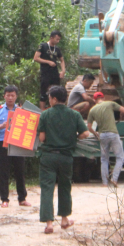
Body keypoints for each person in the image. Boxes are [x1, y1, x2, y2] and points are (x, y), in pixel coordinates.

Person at [37, 86, 90, 234]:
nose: (49, 100)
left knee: (47, 188)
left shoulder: (45, 115)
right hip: (66, 157)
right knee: (65, 187)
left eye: (49, 98)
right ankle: (64, 220)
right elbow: (85, 133)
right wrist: (74, 138)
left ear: (54, 99)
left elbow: (41, 138)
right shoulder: (74, 115)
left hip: (48, 156)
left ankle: (49, 224)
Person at [0, 85, 31, 208]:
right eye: (8, 95)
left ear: (16, 96)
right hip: (3, 142)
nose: (10, 97)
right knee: (4, 171)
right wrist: (2, 125)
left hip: (17, 143)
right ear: (4, 96)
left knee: (20, 170)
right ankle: (4, 199)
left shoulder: (21, 110)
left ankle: (22, 198)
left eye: (12, 95)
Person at [87, 93, 124, 187]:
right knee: (120, 157)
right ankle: (114, 179)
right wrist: (122, 115)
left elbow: (89, 127)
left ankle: (105, 183)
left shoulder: (92, 110)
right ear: (103, 98)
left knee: (104, 159)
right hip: (113, 134)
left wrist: (95, 133)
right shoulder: (110, 104)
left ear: (94, 100)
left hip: (102, 135)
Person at [33, 30, 66, 110]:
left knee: (56, 91)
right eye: (56, 39)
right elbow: (36, 58)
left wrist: (63, 71)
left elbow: (62, 60)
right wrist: (48, 62)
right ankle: (42, 111)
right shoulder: (43, 46)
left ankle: (56, 109)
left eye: (59, 40)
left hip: (54, 73)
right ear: (51, 38)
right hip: (45, 73)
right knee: (43, 92)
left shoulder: (57, 49)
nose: (58, 41)